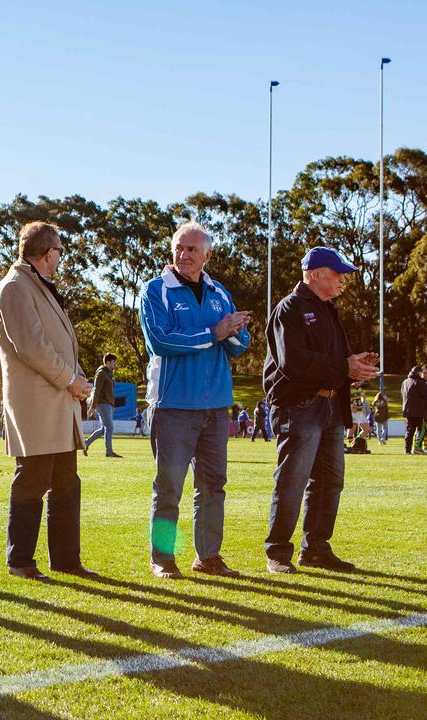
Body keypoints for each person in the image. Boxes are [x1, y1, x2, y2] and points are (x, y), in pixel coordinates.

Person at [140, 221, 251, 579]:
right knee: (169, 486)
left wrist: (233, 332)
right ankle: (163, 558)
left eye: (192, 249)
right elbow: (161, 340)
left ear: (207, 255)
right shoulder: (156, 291)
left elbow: (240, 346)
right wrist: (214, 332)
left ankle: (209, 556)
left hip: (216, 406)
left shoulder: (220, 292)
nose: (184, 255)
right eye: (178, 247)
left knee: (213, 485)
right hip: (173, 406)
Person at [0, 221, 99, 581]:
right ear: (46, 253)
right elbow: (32, 347)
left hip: (60, 404)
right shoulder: (15, 288)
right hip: (36, 406)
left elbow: (59, 344)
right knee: (33, 481)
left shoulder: (37, 286)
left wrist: (79, 378)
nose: (60, 258)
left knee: (67, 482)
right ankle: (20, 560)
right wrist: (70, 380)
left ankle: (66, 559)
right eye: (59, 252)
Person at [263, 247, 378, 573]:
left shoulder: (328, 311)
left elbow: (336, 363)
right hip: (299, 405)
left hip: (329, 405)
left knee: (330, 481)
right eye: (337, 273)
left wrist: (356, 369)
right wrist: (344, 366)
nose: (343, 279)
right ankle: (278, 553)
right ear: (315, 275)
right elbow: (294, 363)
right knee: (293, 480)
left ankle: (315, 549)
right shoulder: (290, 309)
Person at [83, 353, 122, 458]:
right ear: (108, 362)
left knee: (103, 429)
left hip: (107, 404)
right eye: (114, 362)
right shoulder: (101, 373)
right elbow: (96, 390)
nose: (115, 364)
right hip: (102, 404)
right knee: (109, 427)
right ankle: (109, 452)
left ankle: (85, 443)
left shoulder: (109, 374)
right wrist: (93, 406)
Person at [401, 366, 427, 456]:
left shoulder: (405, 382)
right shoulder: (420, 382)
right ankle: (417, 448)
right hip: (419, 410)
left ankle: (407, 450)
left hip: (407, 410)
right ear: (419, 373)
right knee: (422, 430)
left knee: (409, 430)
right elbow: (426, 394)